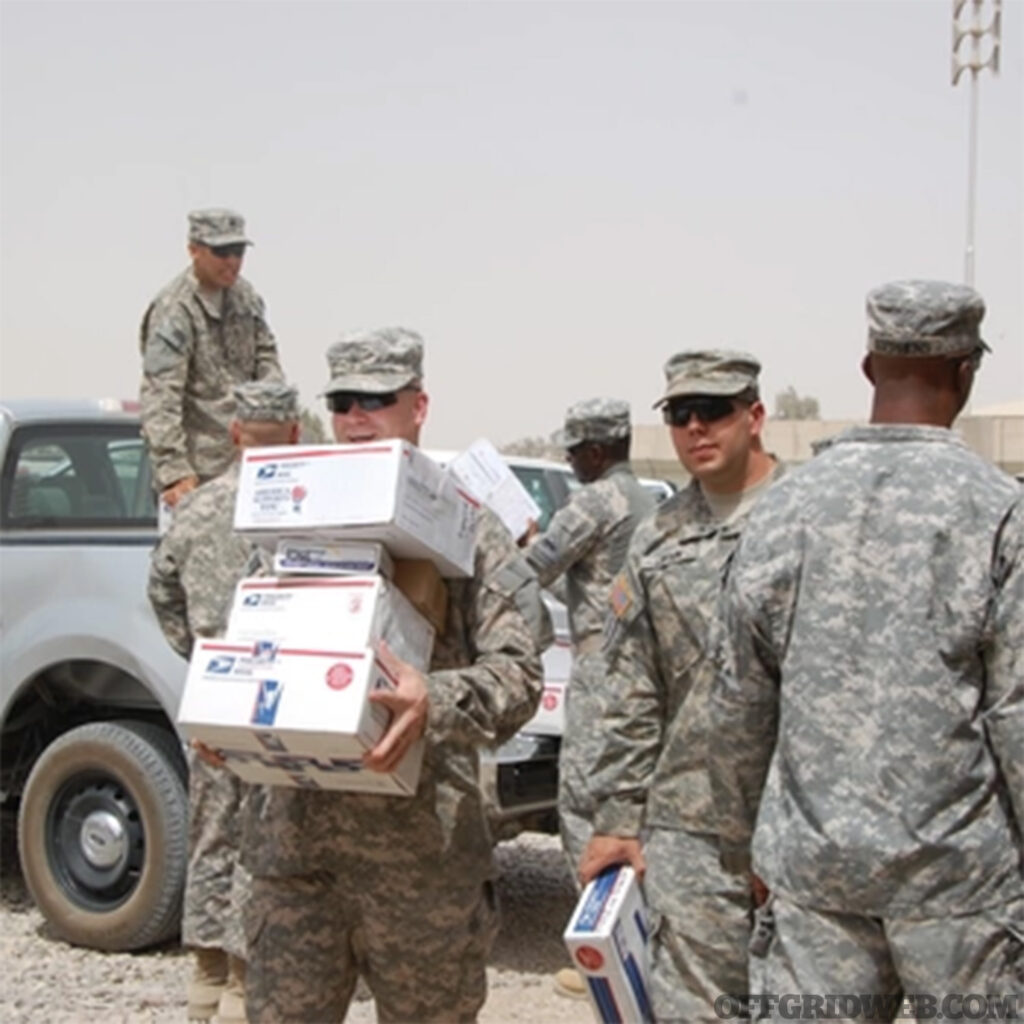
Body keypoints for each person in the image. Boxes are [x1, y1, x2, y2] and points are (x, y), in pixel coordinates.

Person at [709, 281, 1024, 1008]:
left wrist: (747, 848)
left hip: (814, 879)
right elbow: (1014, 715)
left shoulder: (785, 506)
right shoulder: (998, 512)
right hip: (957, 888)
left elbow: (736, 707)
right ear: (968, 372)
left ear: (866, 368)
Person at [239, 327, 549, 1023]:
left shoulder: (467, 529)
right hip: (299, 859)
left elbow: (520, 675)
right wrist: (233, 722)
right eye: (344, 400)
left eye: (376, 399)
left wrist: (431, 697)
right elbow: (255, 646)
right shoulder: (292, 517)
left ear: (419, 406)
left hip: (424, 864)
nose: (356, 418)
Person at [579, 351, 783, 1022]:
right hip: (691, 829)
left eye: (715, 411)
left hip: (800, 825)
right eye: (679, 415)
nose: (696, 428)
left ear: (754, 416)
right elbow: (634, 687)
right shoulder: (658, 537)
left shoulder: (808, 520)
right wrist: (616, 819)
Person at [148, 380, 301, 1024]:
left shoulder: (199, 508)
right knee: (263, 833)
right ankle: (243, 978)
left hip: (215, 687)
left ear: (235, 432)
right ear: (294, 434)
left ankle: (204, 981)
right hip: (277, 692)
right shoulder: (299, 507)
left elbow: (161, 591)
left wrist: (201, 652)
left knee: (212, 829)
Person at [521, 397, 654, 999]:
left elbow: (534, 570)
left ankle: (607, 946)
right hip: (645, 669)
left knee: (584, 804)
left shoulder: (596, 499)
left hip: (602, 669)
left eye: (574, 450)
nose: (570, 460)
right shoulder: (646, 498)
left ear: (597, 451)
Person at [139, 208, 284, 511]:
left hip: (252, 469)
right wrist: (175, 473)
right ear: (194, 251)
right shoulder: (174, 310)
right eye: (221, 251)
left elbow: (267, 360)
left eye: (238, 250)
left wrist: (273, 428)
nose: (232, 260)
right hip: (198, 477)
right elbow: (160, 398)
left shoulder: (245, 297)